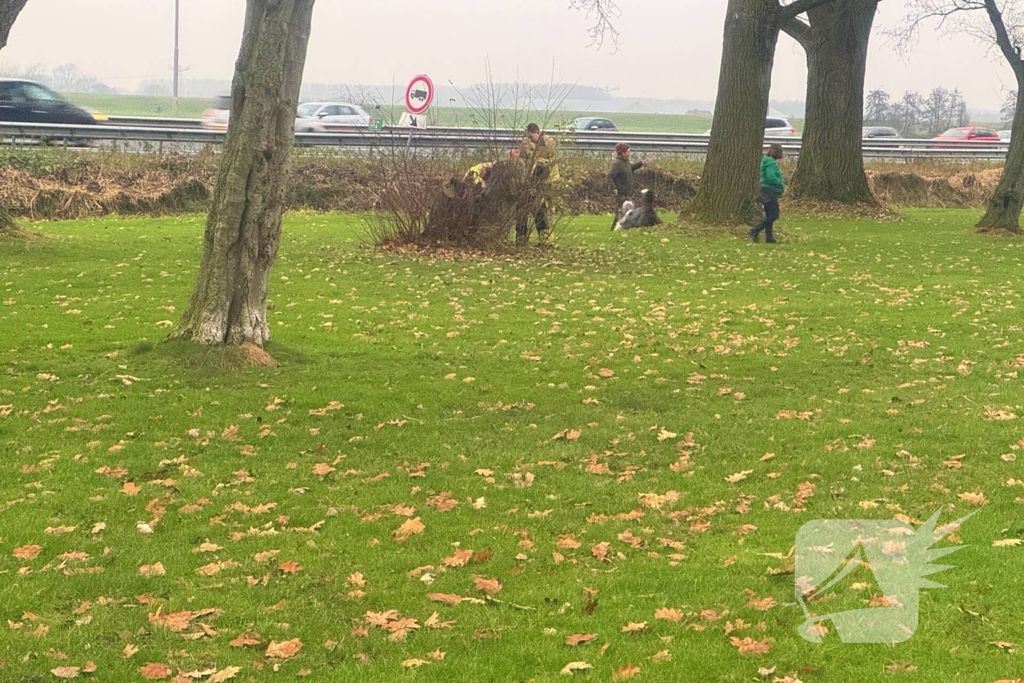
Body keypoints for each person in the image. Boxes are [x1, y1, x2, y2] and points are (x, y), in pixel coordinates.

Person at [516, 123, 560, 244]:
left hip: (546, 181)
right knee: (527, 209)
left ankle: (546, 240)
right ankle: (523, 238)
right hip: (535, 180)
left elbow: (541, 166)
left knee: (543, 210)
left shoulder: (545, 143)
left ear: (537, 132)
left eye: (531, 137)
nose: (530, 140)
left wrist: (532, 183)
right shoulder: (532, 143)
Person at [751, 143, 785, 244]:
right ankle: (755, 230)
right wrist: (780, 184)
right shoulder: (770, 163)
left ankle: (769, 237)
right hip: (769, 190)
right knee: (774, 215)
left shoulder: (766, 161)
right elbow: (771, 177)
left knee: (769, 214)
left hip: (764, 189)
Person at [607, 142, 644, 229]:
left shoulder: (625, 162)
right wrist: (613, 187)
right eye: (627, 152)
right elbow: (609, 176)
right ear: (622, 153)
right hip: (620, 192)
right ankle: (618, 228)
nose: (629, 153)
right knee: (622, 212)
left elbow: (630, 168)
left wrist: (639, 164)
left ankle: (616, 228)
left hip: (626, 192)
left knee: (624, 212)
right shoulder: (617, 163)